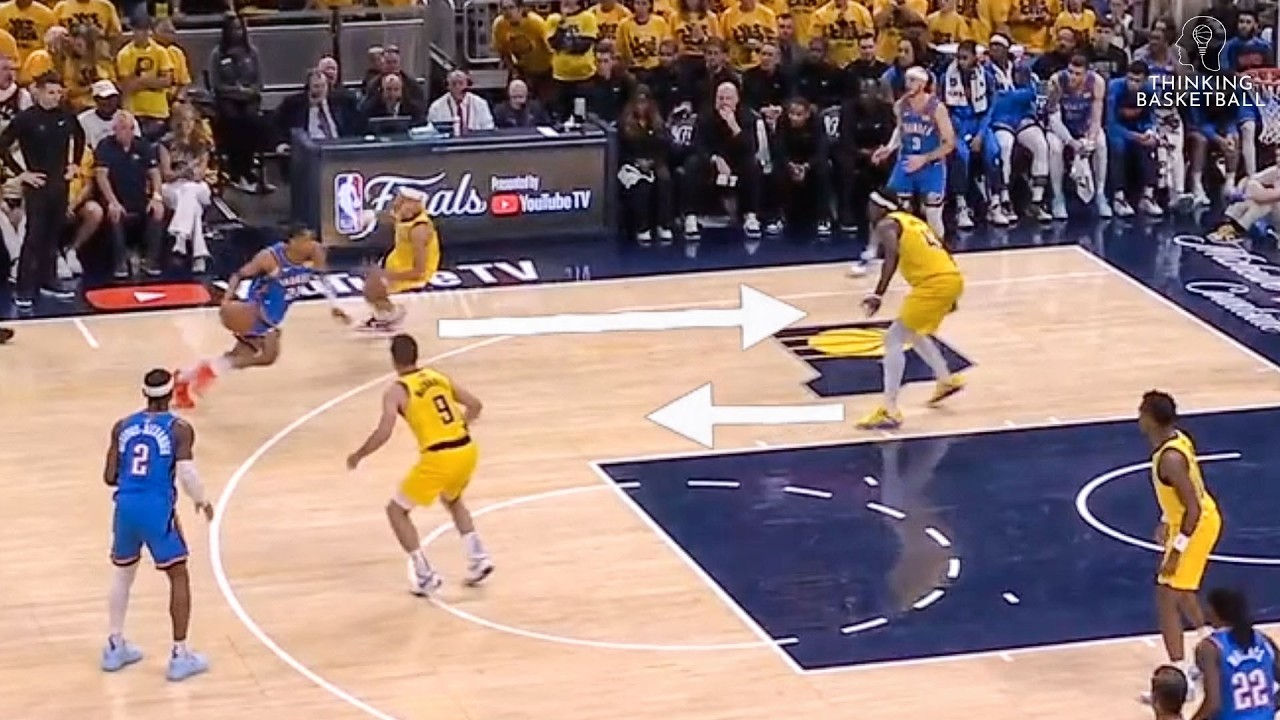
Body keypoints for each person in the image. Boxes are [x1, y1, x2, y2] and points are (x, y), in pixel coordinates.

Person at [345, 334, 494, 595]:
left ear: (393, 359)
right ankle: (478, 557)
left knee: (396, 511)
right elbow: (475, 405)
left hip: (439, 456)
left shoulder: (397, 390)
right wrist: (460, 427)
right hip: (467, 449)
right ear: (416, 354)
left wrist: (359, 455)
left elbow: (384, 432)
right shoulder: (437, 376)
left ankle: (425, 576)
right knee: (453, 499)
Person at [101, 368, 211, 681]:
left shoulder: (122, 426)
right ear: (171, 393)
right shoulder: (179, 429)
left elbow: (109, 476)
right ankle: (180, 654)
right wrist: (201, 500)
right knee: (178, 574)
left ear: (144, 394)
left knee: (123, 571)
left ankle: (114, 645)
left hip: (125, 506)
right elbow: (187, 473)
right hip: (156, 508)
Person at [173, 225, 347, 408]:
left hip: (277, 313)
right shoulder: (269, 257)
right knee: (268, 356)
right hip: (258, 310)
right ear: (292, 242)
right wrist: (227, 299)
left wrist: (334, 304)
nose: (310, 244)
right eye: (305, 240)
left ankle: (185, 377)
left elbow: (323, 277)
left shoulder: (315, 252)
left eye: (311, 239)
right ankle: (206, 373)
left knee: (240, 355)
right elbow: (238, 275)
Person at [1138, 390, 1223, 702]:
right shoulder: (1175, 440)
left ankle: (1180, 677)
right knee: (1182, 589)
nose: (1138, 417)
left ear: (1151, 419)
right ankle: (1213, 646)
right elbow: (1183, 496)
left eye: (1142, 412)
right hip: (1191, 520)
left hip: (1195, 525)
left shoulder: (1170, 458)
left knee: (1166, 594)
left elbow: (1193, 508)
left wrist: (1177, 549)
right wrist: (1166, 519)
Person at [855, 191, 965, 430]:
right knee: (913, 333)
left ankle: (890, 409)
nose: (868, 210)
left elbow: (892, 257)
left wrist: (878, 294)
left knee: (893, 338)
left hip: (934, 283)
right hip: (950, 277)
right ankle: (946, 379)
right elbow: (942, 248)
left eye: (870, 205)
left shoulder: (887, 224)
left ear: (881, 207)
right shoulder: (914, 221)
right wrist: (952, 292)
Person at [0, 71, 84, 311]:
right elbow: (2, 145)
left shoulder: (66, 116)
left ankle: (49, 280)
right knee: (34, 237)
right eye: (50, 92)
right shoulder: (26, 119)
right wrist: (22, 173)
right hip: (37, 185)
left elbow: (79, 137)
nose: (55, 97)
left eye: (58, 93)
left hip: (60, 183)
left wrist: (75, 164)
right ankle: (24, 288)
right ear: (38, 92)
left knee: (53, 235)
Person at [873, 65, 954, 239]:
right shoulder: (900, 106)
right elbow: (900, 130)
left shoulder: (937, 108)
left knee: (933, 215)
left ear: (922, 84)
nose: (908, 84)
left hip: (931, 165)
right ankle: (905, 249)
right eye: (906, 80)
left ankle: (938, 249)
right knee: (901, 213)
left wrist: (924, 158)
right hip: (907, 162)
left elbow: (949, 143)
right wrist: (889, 148)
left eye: (912, 80)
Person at [358, 187, 438, 333]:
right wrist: (373, 215)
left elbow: (419, 271)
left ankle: (392, 314)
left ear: (414, 205)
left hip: (412, 273)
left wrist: (387, 275)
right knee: (370, 279)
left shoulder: (419, 230)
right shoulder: (405, 217)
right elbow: (389, 216)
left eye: (402, 200)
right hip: (399, 264)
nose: (396, 203)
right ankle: (385, 315)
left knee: (372, 287)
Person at [1191, 588, 1278, 720]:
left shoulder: (1210, 647)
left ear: (1214, 611)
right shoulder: (1264, 640)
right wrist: (1269, 707)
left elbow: (1213, 704)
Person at [1047, 53, 1109, 217]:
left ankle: (1100, 194)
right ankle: (1058, 198)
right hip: (1061, 127)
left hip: (1084, 126)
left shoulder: (1097, 82)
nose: (1072, 77)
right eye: (1070, 72)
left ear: (1087, 73)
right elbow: (1053, 119)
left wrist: (1090, 141)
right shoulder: (1057, 81)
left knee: (1101, 143)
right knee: (1055, 148)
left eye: (1077, 74)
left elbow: (1096, 117)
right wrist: (1071, 142)